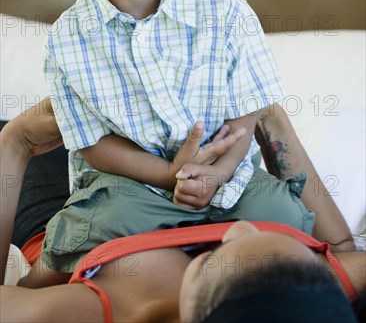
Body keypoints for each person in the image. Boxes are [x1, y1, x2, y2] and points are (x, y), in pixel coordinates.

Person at [25, 0, 318, 282]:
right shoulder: (68, 39)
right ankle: (31, 287)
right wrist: (169, 174)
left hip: (226, 177)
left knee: (281, 214)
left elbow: (246, 114)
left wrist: (215, 174)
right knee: (88, 226)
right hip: (133, 185)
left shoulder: (225, 11)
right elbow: (91, 142)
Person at [0, 101, 364, 323]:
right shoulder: (312, 298)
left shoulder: (101, 311)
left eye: (212, 261)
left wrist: (16, 142)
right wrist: (268, 116)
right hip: (183, 155)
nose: (236, 230)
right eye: (304, 254)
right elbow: (343, 248)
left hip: (69, 207)